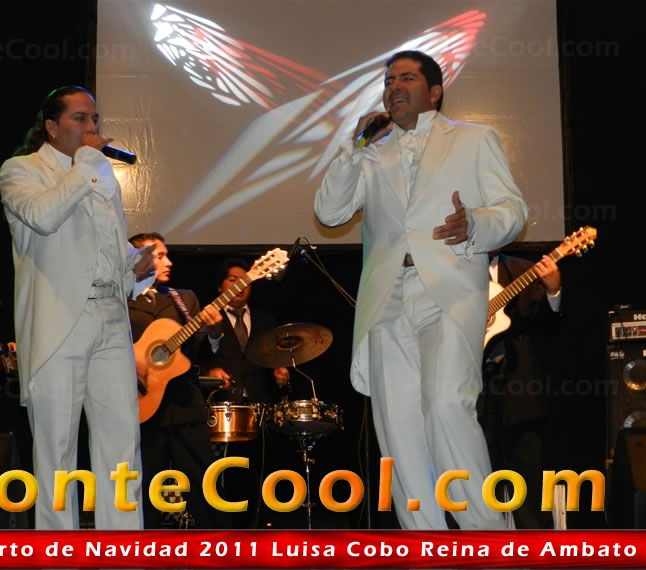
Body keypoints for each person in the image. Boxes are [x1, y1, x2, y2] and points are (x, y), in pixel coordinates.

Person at [314, 50, 528, 530]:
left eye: (406, 78)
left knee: (446, 405)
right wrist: (354, 147)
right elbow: (329, 212)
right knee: (399, 427)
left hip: (448, 289)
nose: (393, 86)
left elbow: (513, 211)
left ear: (434, 92)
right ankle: (424, 543)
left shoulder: (473, 139)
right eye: (389, 80)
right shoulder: (373, 153)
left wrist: (475, 223)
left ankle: (488, 538)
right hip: (386, 297)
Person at [0, 86, 154, 530]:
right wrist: (86, 163)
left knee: (121, 442)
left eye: (95, 119)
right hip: (59, 321)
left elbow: (109, 245)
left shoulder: (99, 172)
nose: (92, 128)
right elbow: (43, 217)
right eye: (81, 119)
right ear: (52, 127)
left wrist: (134, 266)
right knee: (57, 447)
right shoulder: (21, 170)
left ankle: (123, 549)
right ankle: (58, 551)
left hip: (110, 315)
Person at [127, 232, 230, 529]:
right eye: (160, 256)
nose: (169, 262)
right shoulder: (118, 303)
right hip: (141, 408)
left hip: (185, 406)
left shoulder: (184, 299)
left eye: (167, 255)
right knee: (145, 492)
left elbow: (197, 351)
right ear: (137, 260)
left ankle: (219, 546)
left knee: (205, 485)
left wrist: (214, 333)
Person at [481, 253, 561, 528]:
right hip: (470, 395)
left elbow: (547, 328)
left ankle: (534, 550)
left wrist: (553, 290)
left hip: (518, 394)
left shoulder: (522, 270)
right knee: (475, 488)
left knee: (528, 488)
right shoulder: (450, 273)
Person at [200, 257, 290, 402]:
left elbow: (272, 358)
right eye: (232, 280)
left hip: (259, 402)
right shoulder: (207, 318)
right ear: (219, 286)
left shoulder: (266, 320)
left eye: (245, 282)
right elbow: (198, 356)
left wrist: (278, 370)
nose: (240, 286)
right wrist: (209, 371)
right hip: (221, 400)